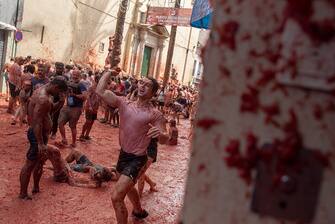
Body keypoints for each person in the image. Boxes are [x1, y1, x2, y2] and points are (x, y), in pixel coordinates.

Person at [96, 69, 169, 223]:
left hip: (137, 158)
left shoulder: (155, 114)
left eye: (147, 85)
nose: (142, 86)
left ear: (154, 93)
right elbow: (100, 91)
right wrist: (109, 72)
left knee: (116, 196)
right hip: (123, 154)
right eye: (141, 82)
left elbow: (165, 139)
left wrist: (160, 134)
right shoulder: (124, 103)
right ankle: (139, 210)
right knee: (128, 187)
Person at [19, 77, 68, 200]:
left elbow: (49, 112)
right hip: (37, 135)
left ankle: (35, 187)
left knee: (40, 161)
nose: (59, 95)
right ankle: (23, 194)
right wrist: (40, 143)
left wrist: (61, 103)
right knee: (30, 164)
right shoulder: (43, 98)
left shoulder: (46, 93)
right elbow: (37, 122)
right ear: (56, 88)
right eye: (60, 92)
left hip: (42, 135)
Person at [58, 69, 87, 148]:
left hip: (76, 108)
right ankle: (64, 139)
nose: (74, 76)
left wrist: (74, 95)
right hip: (68, 106)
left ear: (79, 75)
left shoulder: (81, 84)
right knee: (60, 123)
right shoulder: (69, 83)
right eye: (73, 74)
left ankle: (74, 143)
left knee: (72, 126)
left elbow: (84, 97)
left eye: (76, 75)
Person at [80, 76, 100, 141]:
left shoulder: (100, 88)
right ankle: (82, 135)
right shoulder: (92, 87)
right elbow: (88, 97)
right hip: (89, 108)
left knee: (92, 122)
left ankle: (87, 135)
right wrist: (90, 106)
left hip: (95, 108)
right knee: (88, 121)